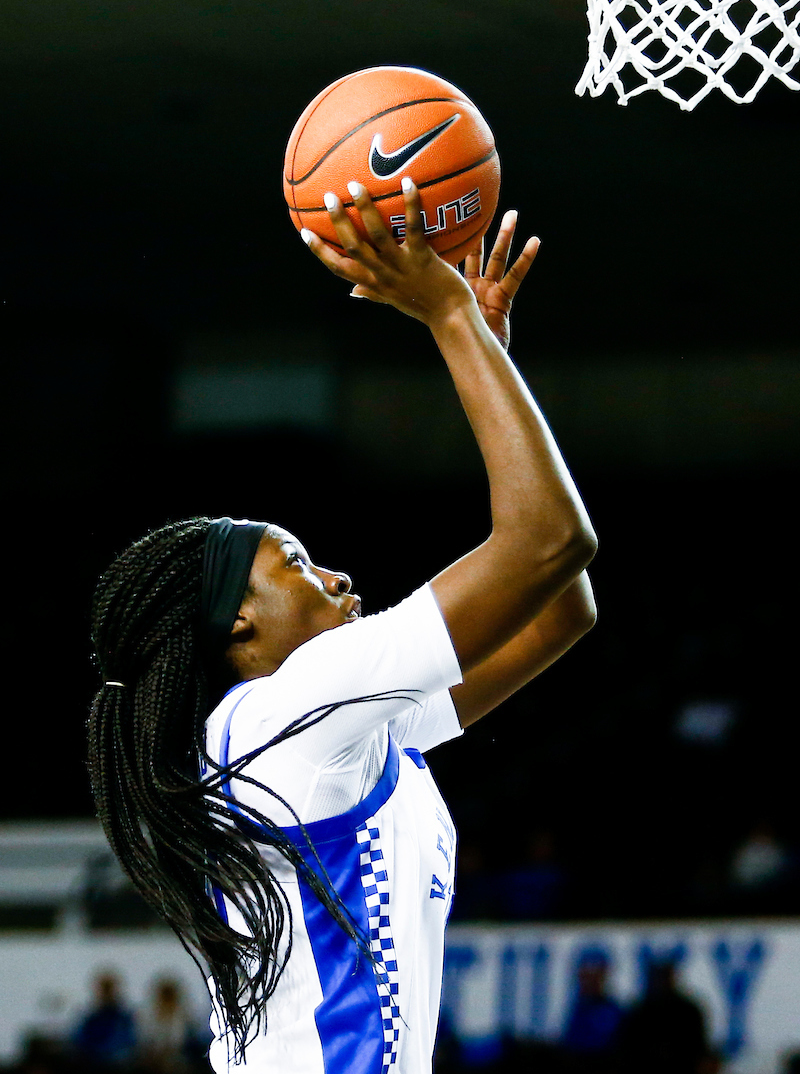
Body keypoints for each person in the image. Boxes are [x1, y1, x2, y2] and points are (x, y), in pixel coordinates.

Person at [87, 179, 597, 1074]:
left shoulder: (332, 734)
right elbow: (549, 544)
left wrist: (480, 347)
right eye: (294, 563)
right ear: (238, 621)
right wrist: (449, 320)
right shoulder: (290, 714)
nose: (335, 575)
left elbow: (562, 606)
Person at [72, 972, 137, 1067]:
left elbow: (129, 1040)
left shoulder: (123, 1015)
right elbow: (78, 1037)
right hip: (90, 1059)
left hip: (117, 1061)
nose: (106, 993)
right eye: (104, 989)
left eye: (109, 989)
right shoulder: (88, 1014)